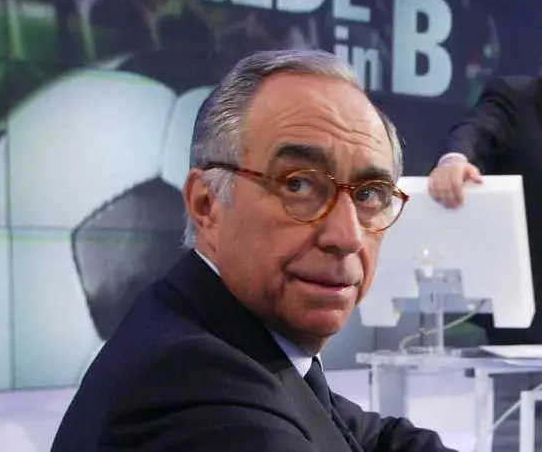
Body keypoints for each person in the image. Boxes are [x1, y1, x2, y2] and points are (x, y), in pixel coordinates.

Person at [51, 48, 455, 452]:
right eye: (298, 184)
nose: (347, 236)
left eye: (369, 194)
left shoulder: (246, 348)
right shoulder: (193, 383)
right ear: (206, 205)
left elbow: (373, 438)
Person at [427, 75, 542, 452]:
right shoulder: (517, 99)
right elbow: (473, 131)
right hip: (524, 334)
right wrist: (455, 160)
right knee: (516, 440)